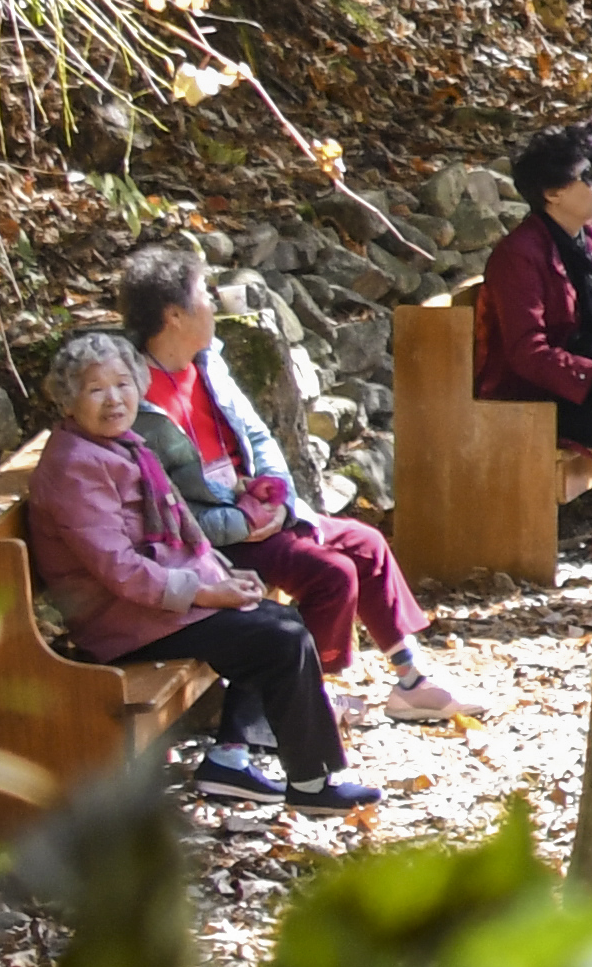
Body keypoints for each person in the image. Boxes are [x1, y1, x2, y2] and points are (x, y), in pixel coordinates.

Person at [117, 253, 479, 727]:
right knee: (332, 574)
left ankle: (410, 681)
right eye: (205, 294)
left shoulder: (206, 363)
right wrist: (243, 523)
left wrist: (281, 500)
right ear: (174, 315)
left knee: (365, 544)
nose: (214, 302)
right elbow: (168, 509)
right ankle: (309, 698)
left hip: (257, 515)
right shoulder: (135, 399)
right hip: (210, 545)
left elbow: (260, 437)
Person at [20, 328, 367, 810]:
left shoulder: (123, 445)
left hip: (151, 604)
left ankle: (241, 762)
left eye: (123, 384)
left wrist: (221, 576)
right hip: (119, 621)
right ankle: (309, 785)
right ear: (68, 401)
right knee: (277, 638)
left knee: (274, 619)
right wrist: (207, 594)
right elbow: (118, 569)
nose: (114, 399)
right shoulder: (75, 465)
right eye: (95, 389)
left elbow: (176, 533)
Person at [475, 122, 592, 481]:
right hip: (541, 396)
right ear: (553, 193)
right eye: (587, 177)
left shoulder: (590, 238)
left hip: (590, 381)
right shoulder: (518, 256)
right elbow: (528, 353)